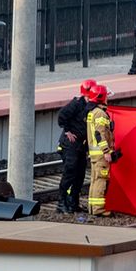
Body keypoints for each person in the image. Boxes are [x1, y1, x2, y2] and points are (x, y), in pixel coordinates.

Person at [56, 80, 96, 214]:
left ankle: (73, 202)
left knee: (80, 174)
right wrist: (67, 131)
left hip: (81, 145)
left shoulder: (90, 105)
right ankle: (61, 203)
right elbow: (61, 116)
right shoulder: (76, 104)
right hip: (70, 145)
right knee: (70, 172)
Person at [85, 84, 119, 216]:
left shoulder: (92, 112)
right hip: (100, 154)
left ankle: (92, 207)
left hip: (94, 154)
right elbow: (100, 134)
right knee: (101, 180)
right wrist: (106, 151)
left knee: (94, 180)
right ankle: (99, 209)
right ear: (102, 98)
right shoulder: (100, 114)